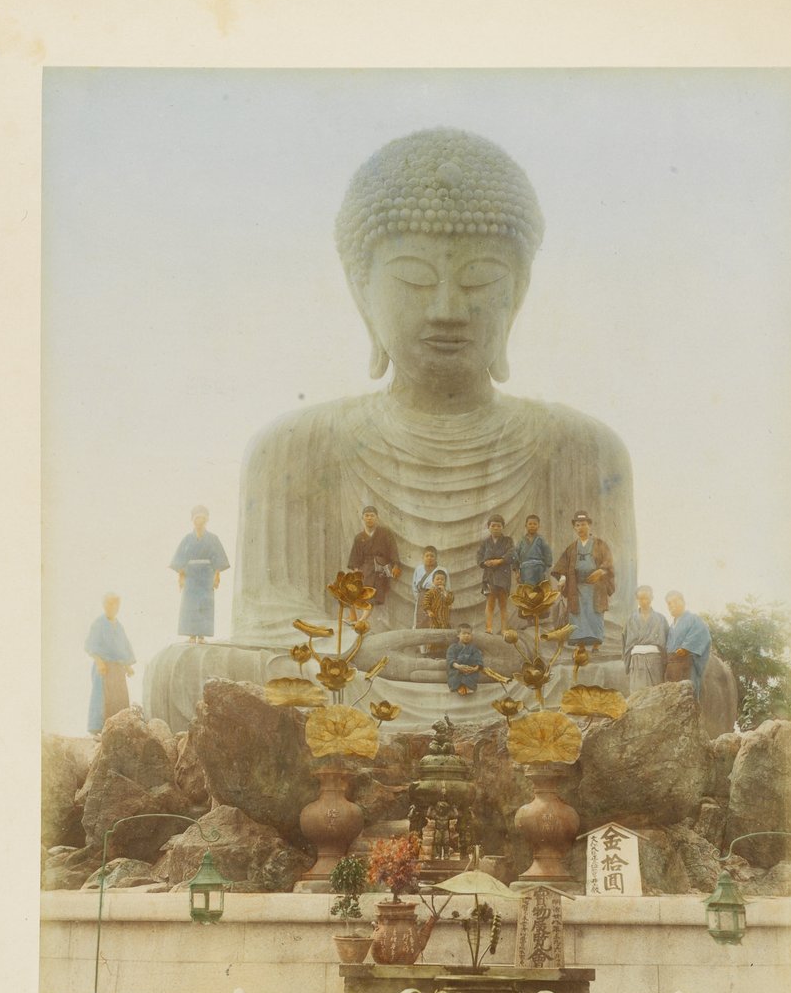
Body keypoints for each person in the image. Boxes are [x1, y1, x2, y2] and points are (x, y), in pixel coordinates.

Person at [232, 128, 635, 647]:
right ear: (362, 293)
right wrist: (374, 651)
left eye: (479, 279)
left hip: (516, 670)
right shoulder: (290, 450)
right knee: (187, 670)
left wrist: (518, 651)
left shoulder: (586, 450)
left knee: (674, 677)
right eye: (414, 279)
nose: (447, 310)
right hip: (364, 673)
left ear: (518, 295)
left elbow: (613, 623)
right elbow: (266, 629)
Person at [551, 511, 615, 648]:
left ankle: (596, 645)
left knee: (594, 614)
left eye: (584, 524)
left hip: (595, 587)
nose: (581, 528)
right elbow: (563, 566)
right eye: (578, 525)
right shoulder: (572, 547)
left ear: (589, 525)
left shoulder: (599, 544)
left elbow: (608, 563)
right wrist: (562, 578)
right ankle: (580, 646)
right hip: (577, 587)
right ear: (574, 527)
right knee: (577, 615)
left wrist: (601, 571)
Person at [169, 506, 230, 643]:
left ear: (206, 520)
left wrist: (217, 575)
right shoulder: (187, 539)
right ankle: (191, 635)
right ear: (192, 520)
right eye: (197, 518)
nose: (199, 521)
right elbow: (180, 558)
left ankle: (202, 635)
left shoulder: (213, 538)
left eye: (202, 518)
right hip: (191, 575)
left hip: (206, 574)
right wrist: (181, 575)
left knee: (205, 603)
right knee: (190, 604)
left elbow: (218, 558)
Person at [85, 593, 136, 736]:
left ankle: (118, 732)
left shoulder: (119, 626)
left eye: (114, 604)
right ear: (104, 605)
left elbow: (123, 647)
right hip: (104, 668)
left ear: (118, 607)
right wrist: (99, 662)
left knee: (119, 698)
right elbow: (91, 645)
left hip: (118, 669)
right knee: (102, 699)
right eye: (108, 604)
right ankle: (97, 732)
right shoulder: (98, 623)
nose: (111, 607)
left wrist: (128, 666)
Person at [347, 505, 401, 623]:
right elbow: (355, 558)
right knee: (350, 590)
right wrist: (356, 572)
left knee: (371, 594)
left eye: (372, 516)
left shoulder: (385, 533)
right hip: (365, 569)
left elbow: (393, 549)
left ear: (377, 518)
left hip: (380, 569)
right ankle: (353, 616)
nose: (369, 518)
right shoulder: (359, 537)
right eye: (367, 516)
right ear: (362, 518)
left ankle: (361, 620)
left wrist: (396, 565)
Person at [665, 590, 712, 700]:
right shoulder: (672, 626)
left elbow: (702, 633)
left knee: (688, 698)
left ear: (683, 602)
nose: (672, 605)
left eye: (675, 601)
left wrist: (686, 647)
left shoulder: (693, 619)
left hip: (687, 665)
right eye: (669, 603)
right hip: (672, 667)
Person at [622, 585, 669, 692]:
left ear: (652, 598)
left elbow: (667, 639)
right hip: (637, 660)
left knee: (656, 692)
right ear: (637, 599)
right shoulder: (630, 619)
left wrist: (665, 661)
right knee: (637, 693)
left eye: (646, 598)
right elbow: (625, 641)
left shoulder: (661, 619)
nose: (644, 601)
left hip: (655, 660)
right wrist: (627, 662)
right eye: (640, 598)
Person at [477, 514, 514, 634]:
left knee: (503, 603)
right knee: (490, 602)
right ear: (489, 527)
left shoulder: (508, 541)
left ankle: (504, 629)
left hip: (503, 576)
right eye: (493, 526)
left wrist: (499, 561)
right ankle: (488, 628)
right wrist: (485, 563)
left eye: (499, 526)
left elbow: (512, 553)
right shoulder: (485, 543)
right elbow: (479, 557)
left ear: (503, 527)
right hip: (489, 576)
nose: (496, 528)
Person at [512, 514, 554, 590]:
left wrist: (546, 572)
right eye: (530, 524)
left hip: (539, 570)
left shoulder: (541, 540)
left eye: (535, 524)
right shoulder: (521, 541)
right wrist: (517, 572)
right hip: (525, 571)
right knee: (527, 593)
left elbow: (548, 555)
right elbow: (515, 557)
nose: (532, 526)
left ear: (538, 526)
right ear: (526, 525)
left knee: (539, 593)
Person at [411, 545, 448, 628]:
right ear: (423, 557)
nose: (429, 558)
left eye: (432, 556)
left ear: (436, 557)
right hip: (422, 596)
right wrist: (419, 597)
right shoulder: (419, 569)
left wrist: (444, 596)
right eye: (427, 556)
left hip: (437, 596)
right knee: (421, 620)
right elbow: (414, 585)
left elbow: (447, 586)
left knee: (435, 619)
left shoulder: (442, 569)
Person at [446, 624, 483, 695]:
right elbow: (450, 659)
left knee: (472, 675)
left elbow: (478, 659)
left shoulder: (473, 648)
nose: (466, 636)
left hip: (469, 670)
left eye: (469, 634)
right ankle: (460, 686)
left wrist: (475, 668)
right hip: (457, 668)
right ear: (458, 635)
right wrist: (458, 666)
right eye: (464, 633)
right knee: (455, 674)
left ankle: (466, 686)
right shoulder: (453, 647)